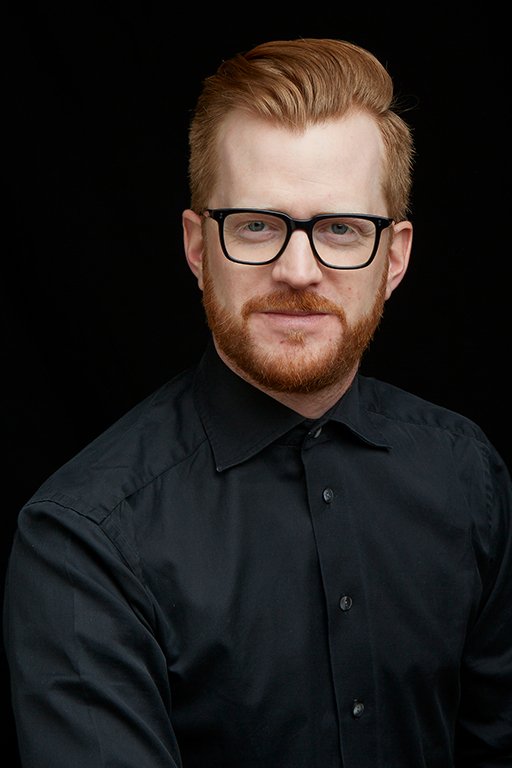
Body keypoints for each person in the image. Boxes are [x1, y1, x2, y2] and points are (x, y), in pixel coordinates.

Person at [3, 37, 512, 768]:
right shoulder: (85, 539)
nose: (297, 270)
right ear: (196, 246)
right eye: (256, 225)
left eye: (340, 228)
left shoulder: (471, 477)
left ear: (393, 257)